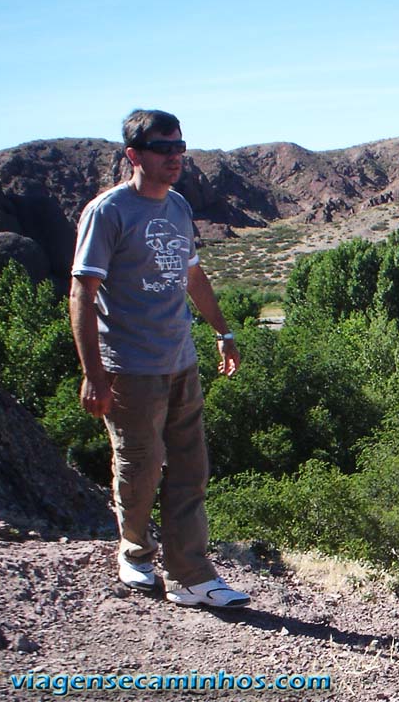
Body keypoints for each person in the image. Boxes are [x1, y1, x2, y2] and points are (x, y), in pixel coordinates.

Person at [69, 109, 249, 608]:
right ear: (134, 155)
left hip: (180, 361)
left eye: (179, 147)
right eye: (163, 149)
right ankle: (136, 554)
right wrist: (93, 373)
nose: (175, 158)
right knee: (141, 465)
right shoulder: (108, 212)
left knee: (191, 468)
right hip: (129, 365)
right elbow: (83, 292)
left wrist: (224, 331)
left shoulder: (178, 207)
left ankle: (190, 574)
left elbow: (193, 276)